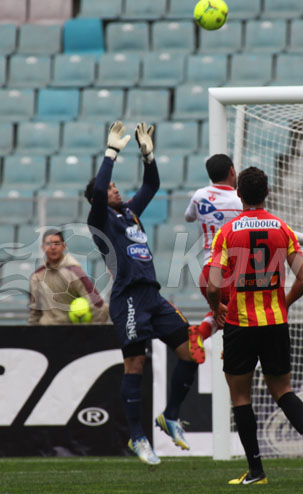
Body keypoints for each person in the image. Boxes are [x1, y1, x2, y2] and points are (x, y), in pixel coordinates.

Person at [84, 121, 204, 465]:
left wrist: (148, 155)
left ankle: (170, 415)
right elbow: (98, 193)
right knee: (134, 363)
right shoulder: (100, 222)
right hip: (128, 299)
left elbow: (152, 184)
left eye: (116, 186)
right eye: (111, 189)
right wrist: (111, 153)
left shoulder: (129, 213)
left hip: (153, 296)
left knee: (192, 350)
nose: (116, 191)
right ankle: (138, 437)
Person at [207, 166, 303, 485]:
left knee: (241, 396)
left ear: (238, 194)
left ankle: (257, 471)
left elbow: (212, 283)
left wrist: (216, 307)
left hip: (240, 324)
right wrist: (282, 304)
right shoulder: (281, 228)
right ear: (267, 193)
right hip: (275, 323)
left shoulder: (228, 231)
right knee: (283, 390)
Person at [187, 153, 303, 344]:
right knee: (246, 312)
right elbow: (277, 229)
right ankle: (209, 338)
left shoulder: (198, 196)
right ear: (231, 171)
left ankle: (206, 336)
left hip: (207, 271)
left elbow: (189, 217)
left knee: (224, 313)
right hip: (227, 271)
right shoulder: (237, 202)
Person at [28, 228, 109, 325]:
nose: (53, 247)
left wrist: (88, 334)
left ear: (64, 246)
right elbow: (34, 312)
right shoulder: (36, 277)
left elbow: (99, 306)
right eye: (49, 244)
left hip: (71, 335)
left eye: (57, 243)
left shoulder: (75, 273)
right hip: (45, 335)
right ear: (42, 247)